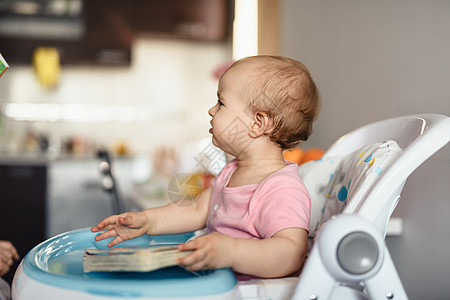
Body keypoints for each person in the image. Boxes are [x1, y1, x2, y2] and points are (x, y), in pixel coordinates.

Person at [92, 55, 320, 279]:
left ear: (257, 123)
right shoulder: (232, 171)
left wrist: (233, 252)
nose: (212, 110)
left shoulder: (282, 188)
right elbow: (195, 210)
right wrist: (147, 221)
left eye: (221, 103)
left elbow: (291, 253)